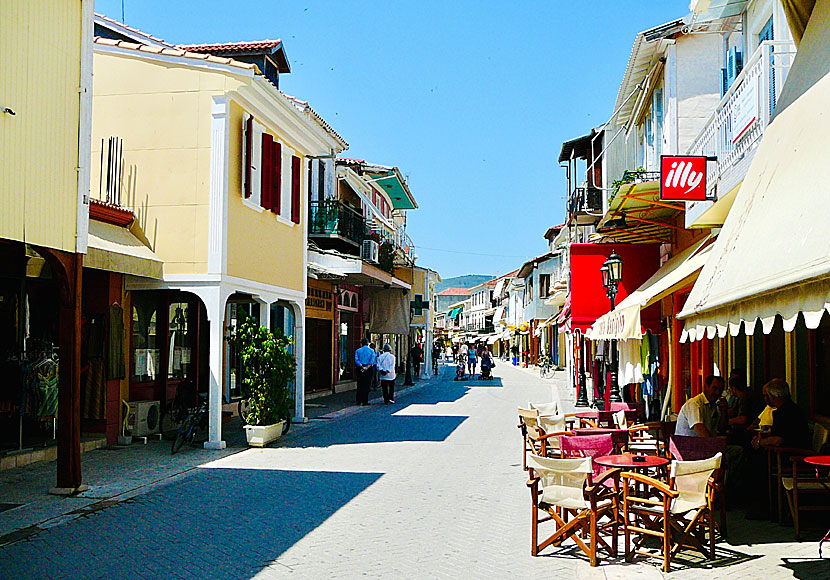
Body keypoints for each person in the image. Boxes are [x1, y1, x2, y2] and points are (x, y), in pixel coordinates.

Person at [354, 338, 375, 406]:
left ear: (361, 343)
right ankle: (365, 400)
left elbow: (356, 360)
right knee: (367, 385)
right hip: (368, 369)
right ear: (368, 343)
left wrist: (361, 366)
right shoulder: (371, 351)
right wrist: (367, 367)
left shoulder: (358, 351)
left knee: (360, 384)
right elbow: (372, 361)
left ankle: (359, 400)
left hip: (360, 368)